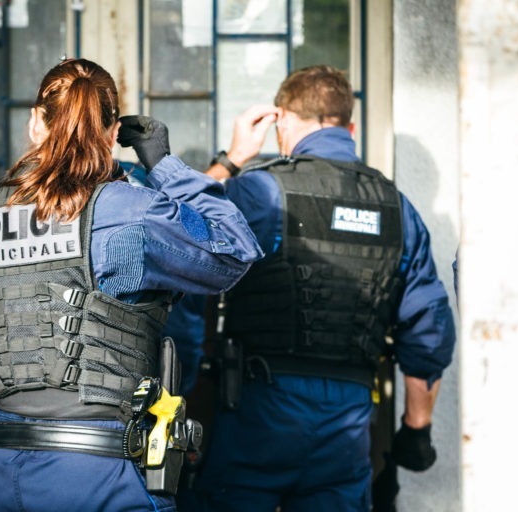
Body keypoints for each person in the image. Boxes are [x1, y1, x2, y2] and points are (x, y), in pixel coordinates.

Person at [0, 58, 263, 512]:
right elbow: (234, 250)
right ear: (112, 129)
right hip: (101, 474)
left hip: (2, 473)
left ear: (36, 124)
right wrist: (163, 165)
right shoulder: (129, 210)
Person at [179, 64, 457, 511]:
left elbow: (178, 225)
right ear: (349, 127)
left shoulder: (261, 192)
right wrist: (417, 429)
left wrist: (232, 159)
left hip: (259, 410)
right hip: (346, 425)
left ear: (283, 120)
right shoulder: (397, 209)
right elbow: (428, 331)